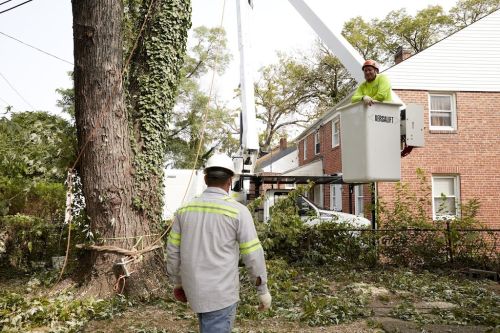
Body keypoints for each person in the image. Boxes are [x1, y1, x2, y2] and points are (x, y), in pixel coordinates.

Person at [166, 152, 271, 333]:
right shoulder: (238, 212)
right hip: (221, 295)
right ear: (230, 181)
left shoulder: (184, 211)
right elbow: (253, 255)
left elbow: (173, 252)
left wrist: (177, 282)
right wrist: (262, 290)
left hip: (194, 291)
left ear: (205, 178)